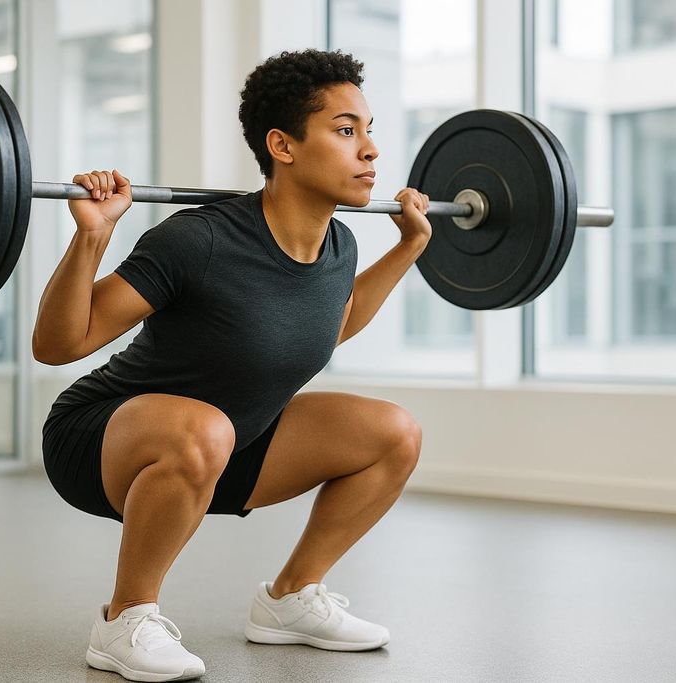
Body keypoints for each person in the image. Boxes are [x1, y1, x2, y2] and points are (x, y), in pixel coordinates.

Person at [34, 48, 431, 682]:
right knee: (204, 430)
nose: (371, 151)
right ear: (284, 145)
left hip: (230, 440)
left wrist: (410, 246)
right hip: (101, 439)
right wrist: (92, 236)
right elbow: (60, 344)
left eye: (369, 131)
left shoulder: (339, 244)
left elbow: (336, 319)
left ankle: (291, 600)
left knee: (393, 433)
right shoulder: (201, 239)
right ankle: (123, 619)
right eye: (346, 130)